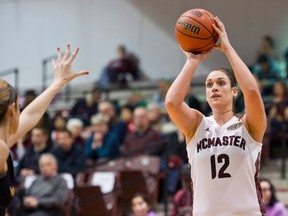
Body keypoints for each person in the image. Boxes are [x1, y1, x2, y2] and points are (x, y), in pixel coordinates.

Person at [165, 16, 267, 215]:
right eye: (209, 84)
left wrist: (228, 48)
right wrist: (193, 60)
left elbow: (253, 92)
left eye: (221, 83)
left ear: (234, 91)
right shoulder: (197, 125)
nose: (214, 88)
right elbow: (171, 103)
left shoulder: (248, 125)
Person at [0, 44, 88, 215]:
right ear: (12, 109)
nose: (22, 111)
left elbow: (31, 116)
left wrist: (57, 83)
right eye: (19, 106)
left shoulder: (4, 140)